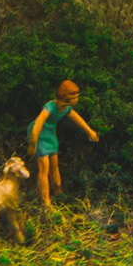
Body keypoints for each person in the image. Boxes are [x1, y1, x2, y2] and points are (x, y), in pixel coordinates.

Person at [27, 79, 99, 209]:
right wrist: (33, 143)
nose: (76, 100)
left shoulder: (65, 109)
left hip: (50, 134)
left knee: (54, 164)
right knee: (44, 168)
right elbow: (38, 124)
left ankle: (58, 192)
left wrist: (89, 131)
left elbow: (77, 118)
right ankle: (45, 202)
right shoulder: (50, 107)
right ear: (66, 97)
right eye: (74, 97)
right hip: (40, 135)